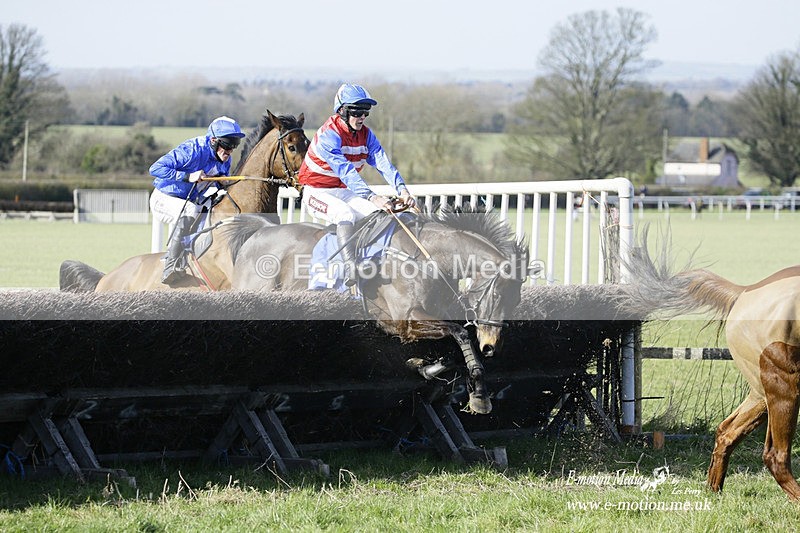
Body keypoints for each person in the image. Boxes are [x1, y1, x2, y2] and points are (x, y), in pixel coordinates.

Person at [297, 83, 415, 286]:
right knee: (345, 214)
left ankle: (369, 260)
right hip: (316, 191)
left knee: (376, 214)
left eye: (366, 113)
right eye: (357, 112)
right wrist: (373, 196)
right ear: (342, 111)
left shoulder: (366, 135)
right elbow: (346, 172)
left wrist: (402, 189)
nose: (362, 117)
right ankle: (350, 266)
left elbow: (383, 163)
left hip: (342, 190)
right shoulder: (329, 135)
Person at [149, 116, 246, 284]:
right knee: (191, 210)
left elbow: (220, 181)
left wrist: (222, 181)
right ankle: (170, 265)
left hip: (191, 200)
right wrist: (187, 176)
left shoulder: (225, 157)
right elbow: (155, 168)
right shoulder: (192, 150)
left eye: (234, 144)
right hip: (164, 198)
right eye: (227, 143)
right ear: (214, 140)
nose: (230, 150)